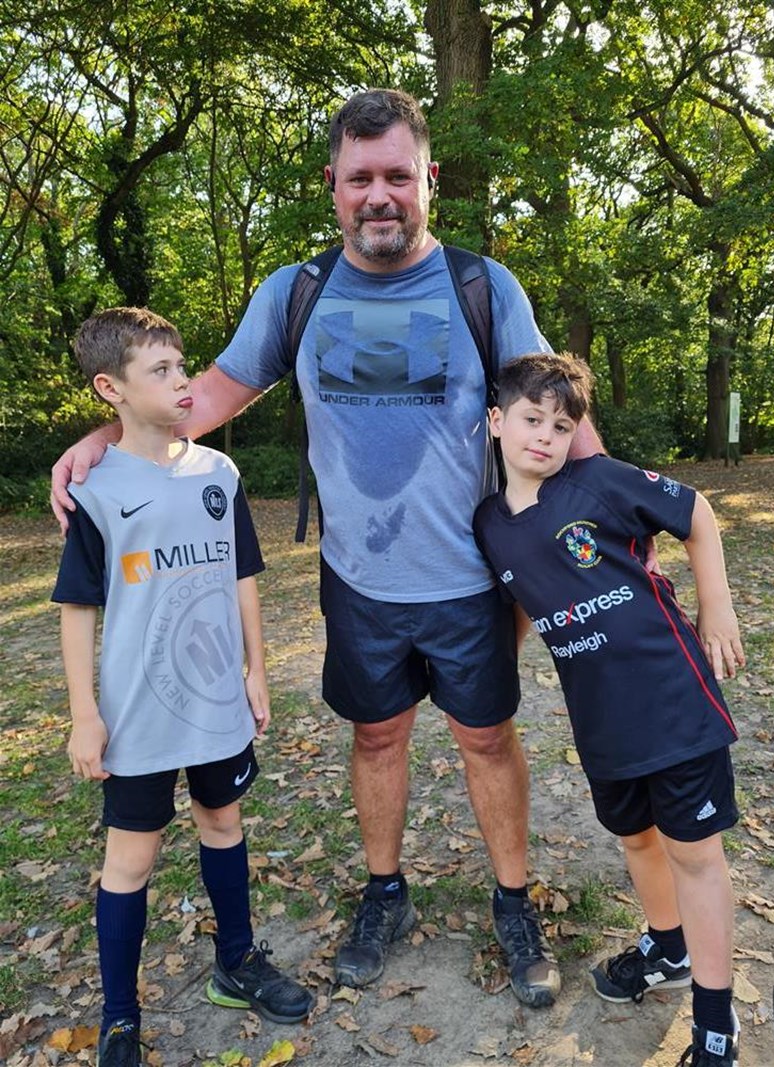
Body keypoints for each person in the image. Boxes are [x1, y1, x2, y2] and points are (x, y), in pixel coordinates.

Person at [51, 89, 605, 1007]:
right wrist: (101, 439)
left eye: (397, 176)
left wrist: (618, 524)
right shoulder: (296, 293)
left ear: (428, 179)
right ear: (333, 185)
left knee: (486, 738)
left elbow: (562, 416)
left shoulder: (483, 288)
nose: (379, 195)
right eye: (360, 178)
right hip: (359, 579)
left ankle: (514, 903)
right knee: (377, 734)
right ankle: (384, 892)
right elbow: (205, 397)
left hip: (470, 577)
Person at [52, 308, 312, 1067]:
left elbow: (243, 576)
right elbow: (77, 610)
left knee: (223, 822)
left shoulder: (218, 474)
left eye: (182, 365)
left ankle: (237, 961)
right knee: (129, 861)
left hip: (215, 700)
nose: (181, 380)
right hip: (136, 713)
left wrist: (257, 668)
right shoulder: (96, 489)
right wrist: (83, 714)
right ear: (112, 389)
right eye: (160, 370)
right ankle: (120, 1018)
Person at [473, 353, 745, 1067]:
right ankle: (669, 947)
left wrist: (716, 605)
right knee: (637, 838)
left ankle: (715, 1025)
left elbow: (695, 512)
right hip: (600, 719)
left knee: (695, 854)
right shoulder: (489, 524)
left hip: (672, 699)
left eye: (561, 426)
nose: (545, 436)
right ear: (497, 421)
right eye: (531, 419)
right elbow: (527, 595)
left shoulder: (597, 482)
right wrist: (502, 661)